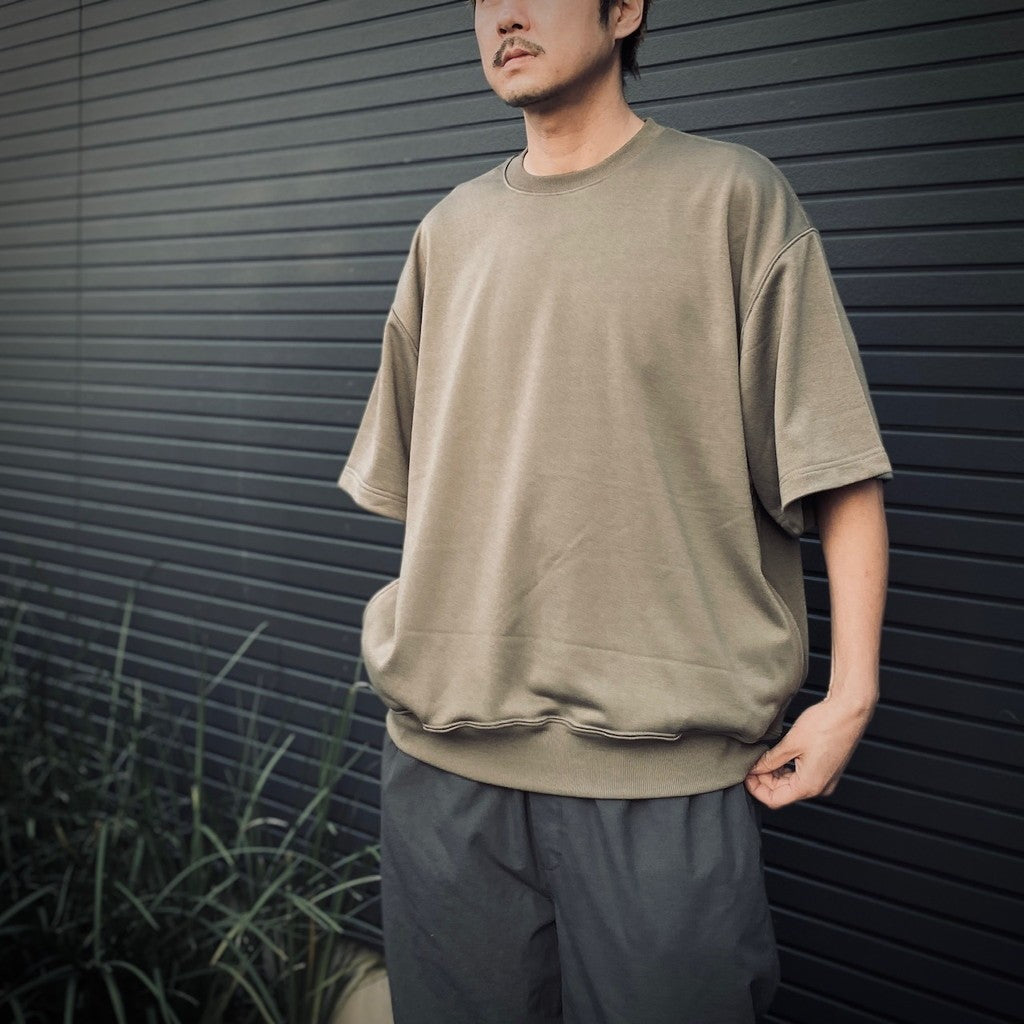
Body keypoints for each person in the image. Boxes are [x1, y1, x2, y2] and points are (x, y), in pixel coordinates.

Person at [336, 1, 892, 1021]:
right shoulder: (448, 232)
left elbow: (838, 467)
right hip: (443, 770)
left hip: (659, 781)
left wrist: (850, 694)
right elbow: (429, 496)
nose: (504, 16)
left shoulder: (729, 199)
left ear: (625, 8)